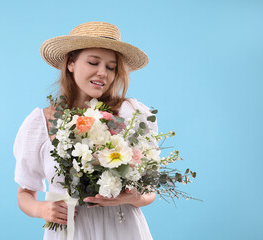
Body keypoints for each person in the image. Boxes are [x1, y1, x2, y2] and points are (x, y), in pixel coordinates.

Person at [14, 21, 158, 240]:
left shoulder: (131, 114)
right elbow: (25, 193)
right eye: (93, 62)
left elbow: (150, 192)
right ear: (71, 63)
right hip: (70, 230)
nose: (103, 73)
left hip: (122, 229)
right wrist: (42, 209)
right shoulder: (40, 123)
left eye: (111, 67)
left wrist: (126, 198)